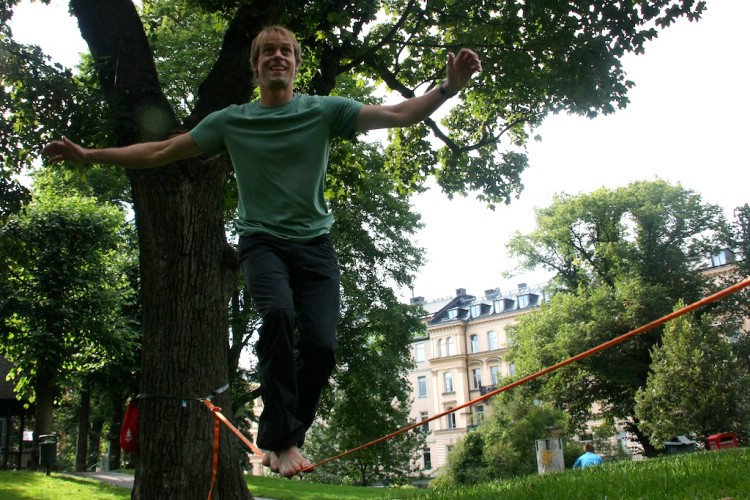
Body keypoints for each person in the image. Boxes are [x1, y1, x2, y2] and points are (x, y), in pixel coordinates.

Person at [42, 25, 482, 478]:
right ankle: (280, 441)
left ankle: (285, 438)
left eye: (286, 51)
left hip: (315, 246)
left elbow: (400, 113)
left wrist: (448, 88)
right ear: (255, 66)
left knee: (322, 347)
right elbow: (161, 151)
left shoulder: (324, 111)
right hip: (262, 243)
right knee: (277, 316)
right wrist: (90, 154)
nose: (277, 56)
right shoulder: (231, 120)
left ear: (295, 63)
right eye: (267, 51)